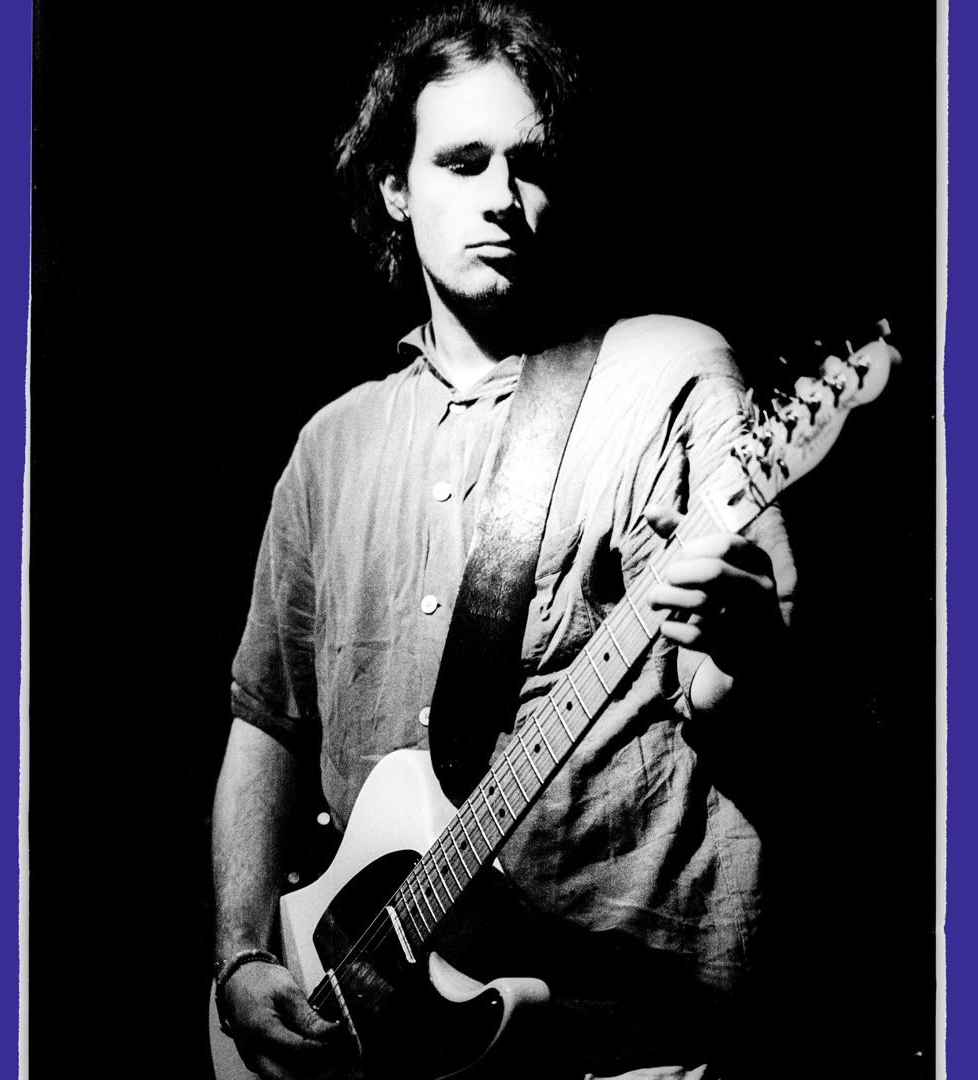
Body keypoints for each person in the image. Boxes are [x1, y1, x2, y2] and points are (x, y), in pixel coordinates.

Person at [211, 5, 798, 1077]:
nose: (501, 197)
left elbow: (748, 695)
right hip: (385, 1034)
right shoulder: (330, 449)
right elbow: (269, 729)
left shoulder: (667, 374)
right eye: (463, 160)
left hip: (620, 1032)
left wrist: (738, 637)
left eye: (528, 164)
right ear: (396, 186)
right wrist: (244, 954)